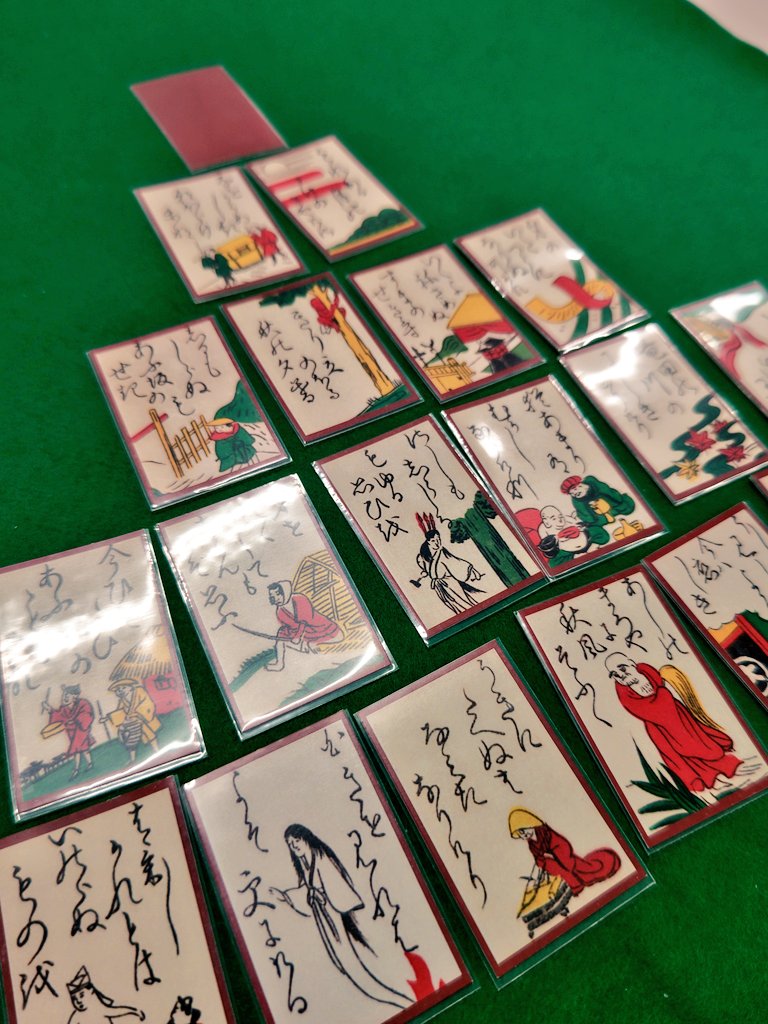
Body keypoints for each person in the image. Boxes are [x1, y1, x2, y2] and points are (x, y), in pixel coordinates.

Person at [269, 824, 411, 1010]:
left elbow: (333, 889)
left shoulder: (321, 858)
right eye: (290, 843)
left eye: (296, 840)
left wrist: (317, 896)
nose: (294, 846)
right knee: (345, 963)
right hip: (325, 918)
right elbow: (307, 889)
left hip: (334, 917)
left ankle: (400, 1001)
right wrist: (286, 896)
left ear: (306, 838)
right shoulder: (306, 863)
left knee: (353, 963)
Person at [605, 655, 742, 792]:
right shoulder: (624, 693)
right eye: (615, 674)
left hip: (677, 712)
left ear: (631, 663)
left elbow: (657, 682)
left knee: (695, 734)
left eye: (622, 669)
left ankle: (718, 768)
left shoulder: (646, 671)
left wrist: (663, 695)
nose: (621, 675)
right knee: (676, 755)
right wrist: (663, 697)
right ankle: (706, 780)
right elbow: (639, 708)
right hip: (658, 727)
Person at [508, 808, 620, 897]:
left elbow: (559, 844)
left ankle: (579, 881)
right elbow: (538, 858)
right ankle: (573, 885)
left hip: (561, 852)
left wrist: (557, 858)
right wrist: (543, 864)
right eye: (520, 834)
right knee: (554, 867)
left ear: (529, 823)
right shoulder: (532, 844)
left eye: (523, 830)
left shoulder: (545, 832)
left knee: (580, 868)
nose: (524, 835)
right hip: (553, 859)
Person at [266, 581, 342, 671]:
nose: (276, 598)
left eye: (278, 594)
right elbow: (290, 627)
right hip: (303, 633)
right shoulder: (280, 612)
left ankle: (319, 655)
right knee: (281, 633)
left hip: (319, 628)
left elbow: (305, 621)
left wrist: (298, 638)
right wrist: (284, 636)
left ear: (286, 591)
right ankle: (279, 664)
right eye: (273, 596)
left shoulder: (299, 599)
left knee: (315, 646)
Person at [412, 523, 484, 614]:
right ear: (428, 541)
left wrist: (471, 570)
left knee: (463, 602)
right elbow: (426, 567)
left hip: (450, 582)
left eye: (438, 539)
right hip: (439, 585)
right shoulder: (423, 554)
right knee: (452, 604)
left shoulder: (441, 551)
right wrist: (425, 571)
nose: (437, 543)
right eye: (433, 540)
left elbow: (454, 560)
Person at [560, 475, 636, 544]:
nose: (574, 493)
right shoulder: (577, 501)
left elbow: (611, 494)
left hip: (613, 508)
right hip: (598, 518)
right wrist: (590, 521)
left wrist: (617, 501)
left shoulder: (595, 485)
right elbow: (583, 513)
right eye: (572, 493)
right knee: (598, 533)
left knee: (627, 508)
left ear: (580, 485)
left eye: (575, 489)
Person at [41, 685, 95, 779]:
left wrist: (75, 720)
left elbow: (87, 714)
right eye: (64, 695)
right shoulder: (64, 709)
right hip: (71, 733)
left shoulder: (83, 703)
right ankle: (86, 765)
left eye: (67, 695)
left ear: (74, 697)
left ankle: (78, 769)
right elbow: (58, 716)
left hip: (81, 731)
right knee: (81, 749)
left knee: (78, 749)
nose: (64, 697)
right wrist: (49, 709)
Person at [101, 678, 161, 763]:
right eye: (118, 690)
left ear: (130, 687)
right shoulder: (123, 699)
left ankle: (157, 751)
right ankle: (133, 759)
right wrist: (107, 717)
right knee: (131, 740)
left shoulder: (139, 691)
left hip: (142, 717)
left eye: (123, 688)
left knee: (150, 734)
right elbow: (119, 711)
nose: (121, 691)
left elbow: (147, 702)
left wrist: (139, 713)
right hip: (132, 722)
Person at [65, 966, 144, 1024]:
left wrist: (135, 1011)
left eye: (82, 995)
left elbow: (116, 1011)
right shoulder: (77, 1016)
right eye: (74, 999)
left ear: (91, 991)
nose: (78, 1001)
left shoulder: (100, 1009)